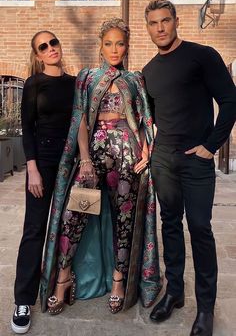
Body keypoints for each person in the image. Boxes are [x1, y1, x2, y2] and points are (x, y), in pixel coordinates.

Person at [40, 18, 162, 316]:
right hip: (93, 155)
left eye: (120, 43)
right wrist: (83, 157)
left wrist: (147, 148)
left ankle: (119, 281)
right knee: (76, 214)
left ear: (127, 45)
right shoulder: (87, 77)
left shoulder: (135, 79)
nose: (114, 49)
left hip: (128, 158)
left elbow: (147, 120)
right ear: (101, 45)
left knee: (124, 220)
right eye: (108, 43)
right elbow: (80, 118)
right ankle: (64, 277)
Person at [142, 0, 236, 336]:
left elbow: (230, 100)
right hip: (164, 160)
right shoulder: (149, 71)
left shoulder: (202, 55)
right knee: (170, 226)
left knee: (199, 228)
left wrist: (211, 146)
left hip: (196, 161)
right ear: (148, 27)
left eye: (165, 21)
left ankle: (206, 308)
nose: (160, 28)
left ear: (176, 20)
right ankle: (175, 293)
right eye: (154, 23)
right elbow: (152, 119)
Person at [11, 31, 75, 334]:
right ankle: (22, 300)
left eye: (54, 43)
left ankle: (60, 284)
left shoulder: (75, 83)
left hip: (71, 163)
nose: (51, 49)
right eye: (43, 46)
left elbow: (83, 123)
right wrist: (32, 169)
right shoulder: (34, 84)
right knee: (35, 228)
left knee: (67, 227)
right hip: (43, 163)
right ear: (37, 55)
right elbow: (27, 127)